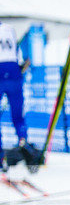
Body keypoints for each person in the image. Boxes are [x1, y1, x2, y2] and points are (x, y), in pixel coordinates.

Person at [0, 21, 39, 174]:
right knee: (18, 116)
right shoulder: (10, 28)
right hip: (14, 74)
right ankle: (23, 142)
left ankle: (1, 159)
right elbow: (22, 52)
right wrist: (22, 65)